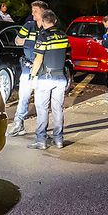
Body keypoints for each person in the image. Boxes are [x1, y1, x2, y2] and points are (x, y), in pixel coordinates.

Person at [29, 9, 70, 149]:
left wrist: (32, 76)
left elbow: (38, 59)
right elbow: (66, 54)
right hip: (60, 77)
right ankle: (59, 140)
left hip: (45, 78)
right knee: (58, 109)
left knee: (42, 109)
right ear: (55, 21)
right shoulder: (63, 36)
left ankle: (41, 141)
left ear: (44, 21)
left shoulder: (43, 37)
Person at [8, 0, 49, 136]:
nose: (33, 14)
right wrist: (30, 41)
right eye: (32, 11)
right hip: (27, 67)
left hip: (42, 69)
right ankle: (18, 124)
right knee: (24, 97)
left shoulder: (49, 26)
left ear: (43, 11)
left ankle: (41, 131)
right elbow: (17, 41)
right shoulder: (29, 25)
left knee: (40, 101)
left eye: (35, 11)